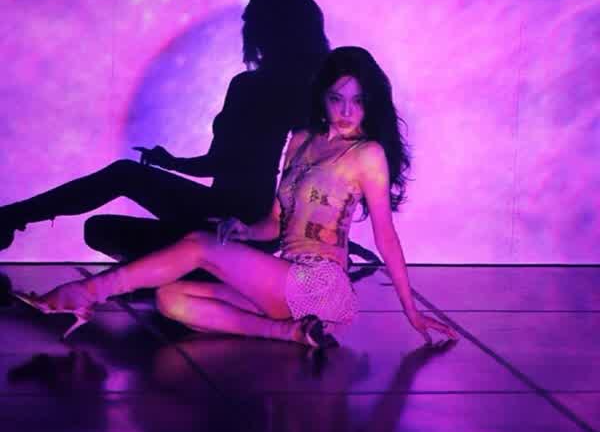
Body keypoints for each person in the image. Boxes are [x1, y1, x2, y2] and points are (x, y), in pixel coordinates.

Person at [14, 47, 460, 347]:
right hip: (285, 281)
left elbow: (387, 238)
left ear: (370, 103)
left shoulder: (367, 154)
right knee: (170, 299)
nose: (346, 111)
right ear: (322, 98)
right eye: (337, 98)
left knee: (198, 246)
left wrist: (413, 312)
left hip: (323, 287)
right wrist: (244, 230)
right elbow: (275, 222)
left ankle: (83, 293)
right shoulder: (300, 140)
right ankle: (290, 334)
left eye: (358, 101)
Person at [0, 0, 329, 260]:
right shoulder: (305, 92)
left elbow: (227, 164)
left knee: (118, 189)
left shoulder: (254, 87)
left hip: (238, 223)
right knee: (102, 226)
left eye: (252, 22)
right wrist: (171, 163)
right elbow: (225, 164)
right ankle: (15, 216)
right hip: (243, 221)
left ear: (265, 28)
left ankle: (15, 215)